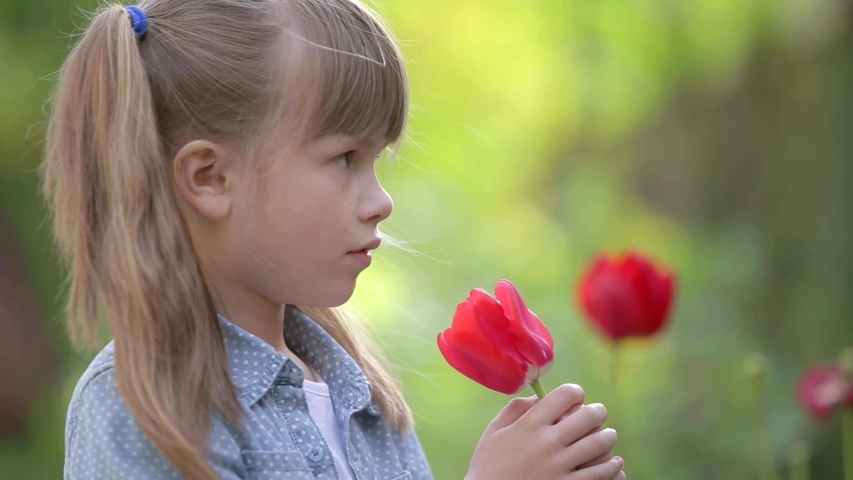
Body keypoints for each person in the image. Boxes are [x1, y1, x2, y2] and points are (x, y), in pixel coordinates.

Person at [41, 1, 627, 479]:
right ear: (210, 179)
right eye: (344, 157)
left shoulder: (362, 398)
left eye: (377, 161)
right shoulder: (146, 409)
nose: (381, 201)